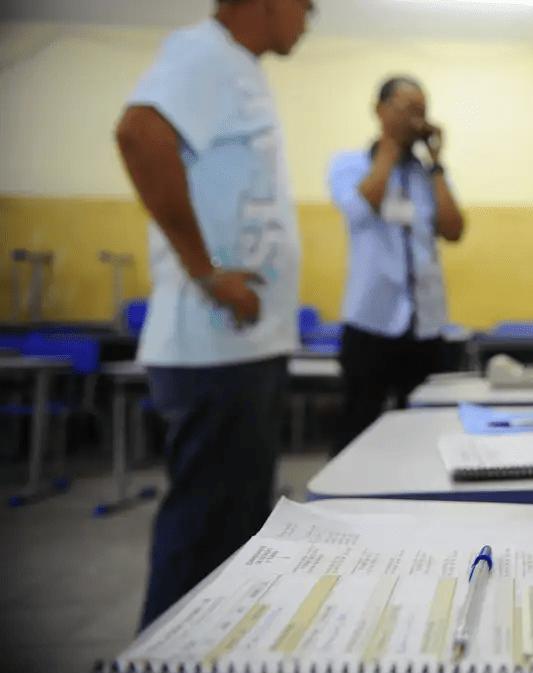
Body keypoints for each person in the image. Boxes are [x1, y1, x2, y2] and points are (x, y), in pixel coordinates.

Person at [114, 0, 313, 628]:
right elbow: (139, 134)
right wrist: (206, 272)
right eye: (305, 4)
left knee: (232, 543)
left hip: (242, 349)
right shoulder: (206, 52)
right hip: (214, 350)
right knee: (203, 541)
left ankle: (210, 666)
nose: (309, 16)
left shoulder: (239, 68)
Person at [328, 76, 465, 455]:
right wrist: (388, 149)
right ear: (379, 110)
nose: (416, 120)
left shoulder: (428, 176)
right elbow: (360, 207)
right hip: (371, 320)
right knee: (356, 430)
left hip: (426, 325)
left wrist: (436, 163)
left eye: (422, 111)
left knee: (425, 433)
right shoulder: (348, 164)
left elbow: (453, 229)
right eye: (406, 109)